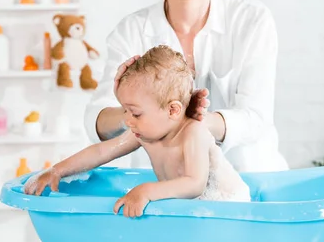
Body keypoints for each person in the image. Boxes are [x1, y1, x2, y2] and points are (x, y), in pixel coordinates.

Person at [84, 0, 288, 172]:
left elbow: (255, 117)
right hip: (161, 192)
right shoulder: (131, 31)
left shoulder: (251, 20)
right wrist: (132, 115)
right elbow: (96, 119)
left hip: (249, 183)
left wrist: (187, 122)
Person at [24, 45, 251, 217]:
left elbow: (194, 184)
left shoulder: (193, 133)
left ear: (173, 110)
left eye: (135, 113)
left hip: (227, 209)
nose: (128, 121)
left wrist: (146, 191)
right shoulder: (146, 133)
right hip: (195, 212)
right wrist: (57, 170)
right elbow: (102, 152)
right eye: (125, 110)